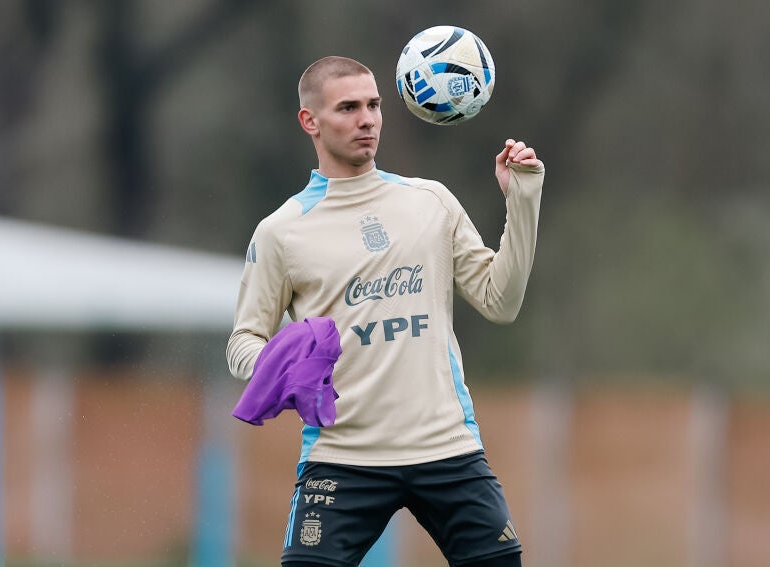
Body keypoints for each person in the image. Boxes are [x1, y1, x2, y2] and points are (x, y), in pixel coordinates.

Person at [226, 55, 544, 567]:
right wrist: (278, 365)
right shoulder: (281, 230)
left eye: (373, 105)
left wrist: (523, 200)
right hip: (343, 457)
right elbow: (243, 341)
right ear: (311, 121)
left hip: (445, 446)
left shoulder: (430, 202)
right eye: (348, 107)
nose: (367, 119)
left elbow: (500, 302)